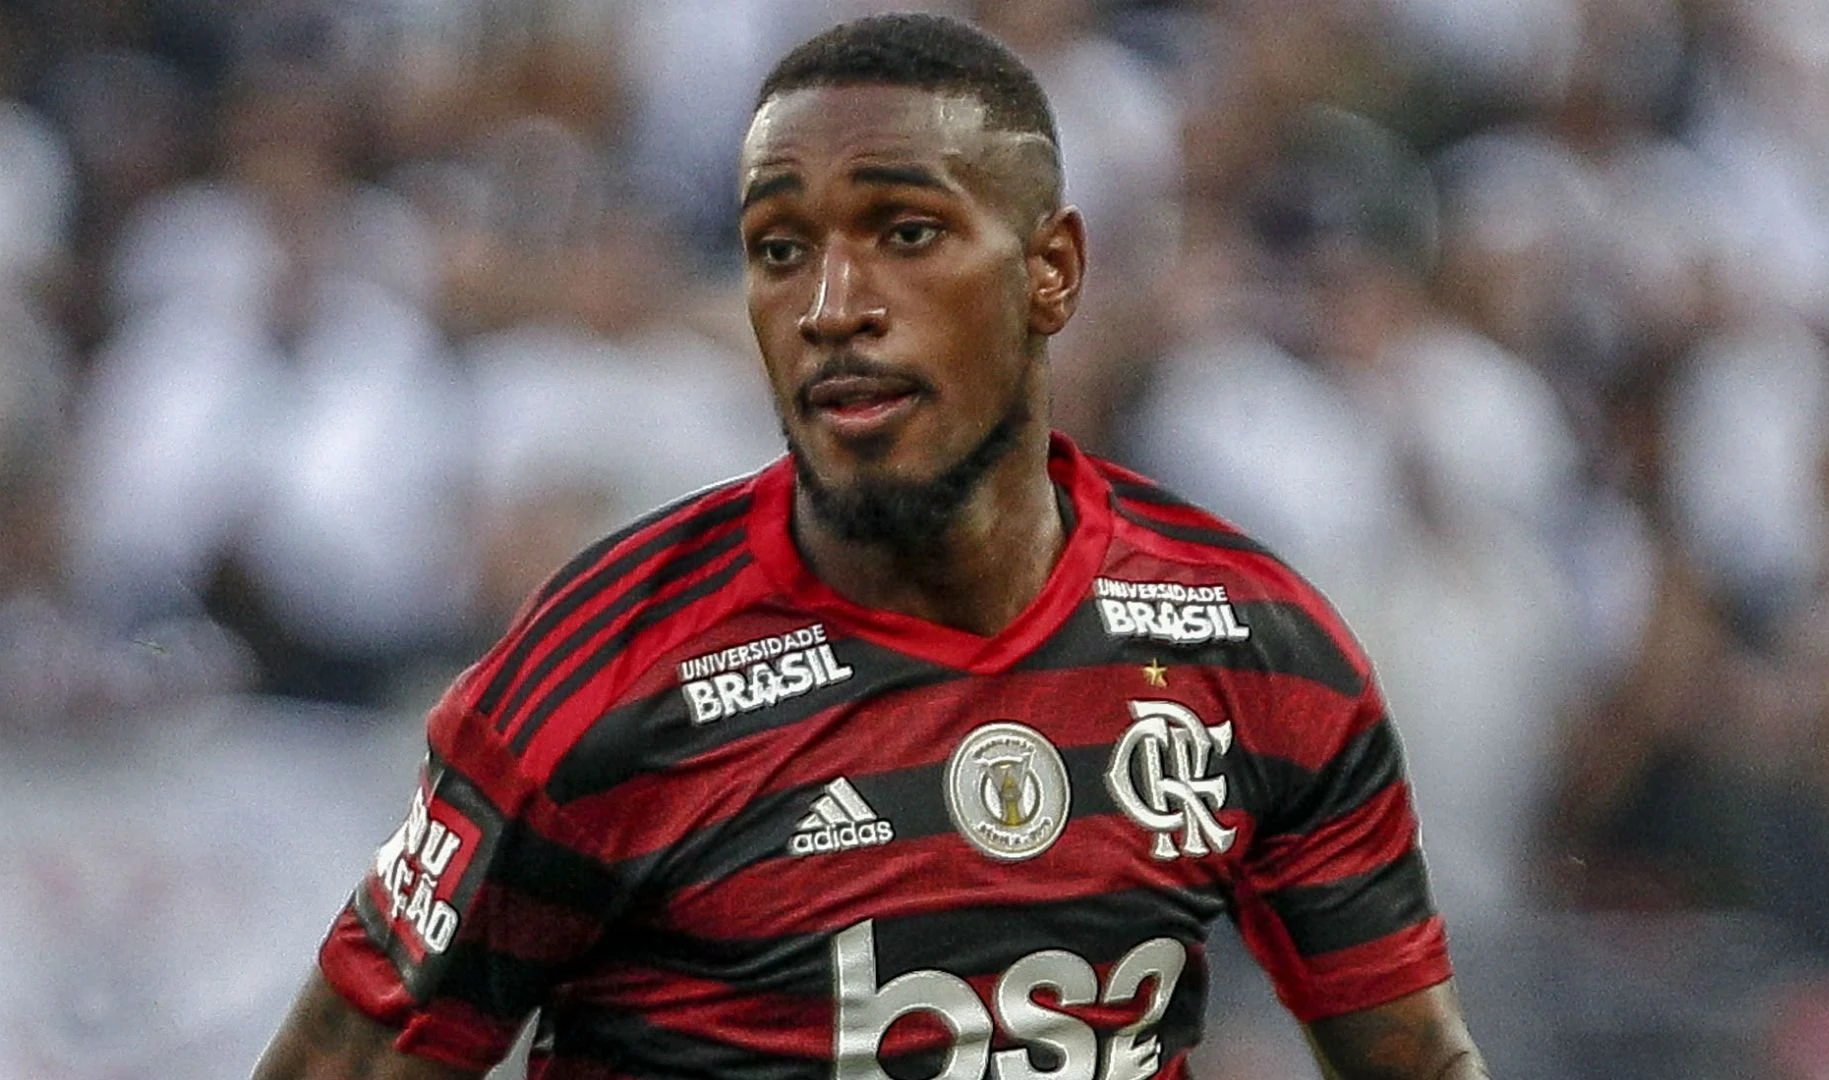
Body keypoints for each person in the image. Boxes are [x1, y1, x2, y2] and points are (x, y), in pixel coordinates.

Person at [252, 13, 1491, 1080]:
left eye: (906, 233)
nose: (832, 308)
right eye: (780, 250)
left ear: (1053, 272)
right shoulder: (605, 673)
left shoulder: (1251, 645)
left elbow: (1417, 1059)